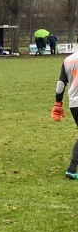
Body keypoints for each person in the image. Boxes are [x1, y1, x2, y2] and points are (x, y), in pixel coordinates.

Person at [51, 51, 78, 179]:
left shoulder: (68, 60)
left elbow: (61, 83)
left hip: (74, 104)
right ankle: (72, 169)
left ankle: (72, 169)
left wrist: (58, 103)